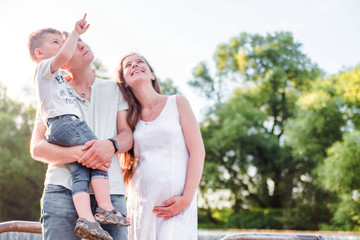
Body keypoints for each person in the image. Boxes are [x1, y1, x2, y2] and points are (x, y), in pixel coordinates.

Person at [29, 22, 132, 240]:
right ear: (62, 62)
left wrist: (109, 145)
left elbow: (128, 136)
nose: (81, 44)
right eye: (73, 43)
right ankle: (92, 216)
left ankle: (102, 210)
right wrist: (83, 154)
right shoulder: (53, 93)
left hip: (112, 190)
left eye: (81, 41)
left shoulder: (115, 89)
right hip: (61, 191)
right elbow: (37, 148)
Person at [117, 53, 205, 240]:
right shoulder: (127, 117)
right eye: (128, 65)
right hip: (141, 203)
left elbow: (197, 151)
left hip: (176, 204)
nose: (135, 66)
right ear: (124, 81)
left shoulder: (177, 102)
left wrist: (187, 198)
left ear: (152, 75)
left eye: (140, 62)